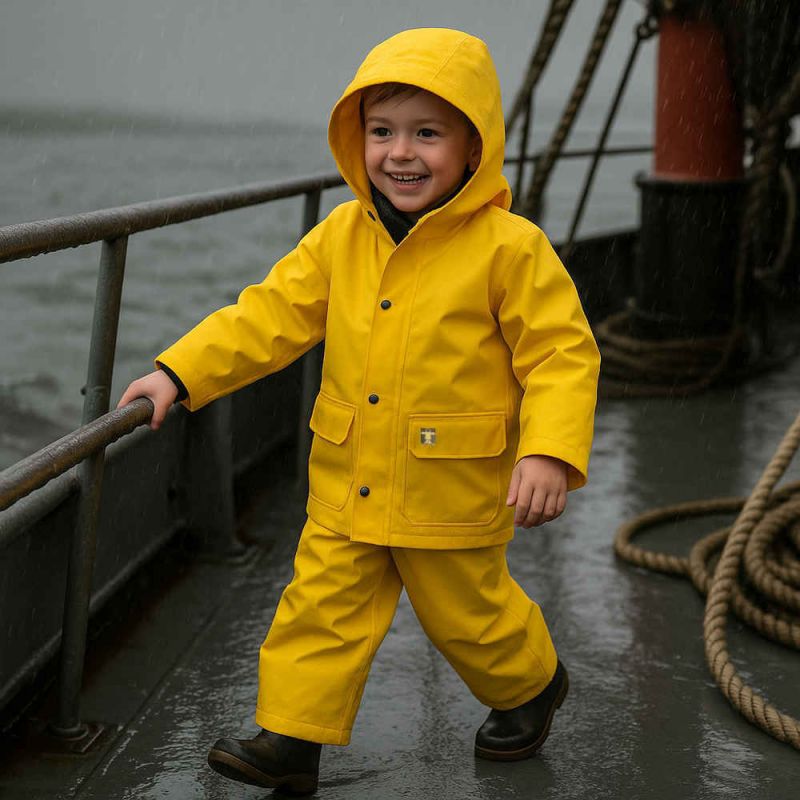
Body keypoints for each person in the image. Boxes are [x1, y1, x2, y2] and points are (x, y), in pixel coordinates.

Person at [118, 27, 600, 795]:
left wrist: (547, 453)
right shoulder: (341, 237)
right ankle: (291, 739)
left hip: (451, 487)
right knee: (319, 608)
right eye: (381, 132)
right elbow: (267, 316)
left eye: (427, 134)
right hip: (348, 481)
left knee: (469, 620)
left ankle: (531, 686)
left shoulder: (511, 248)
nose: (400, 153)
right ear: (357, 140)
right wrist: (180, 371)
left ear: (474, 149)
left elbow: (561, 355)